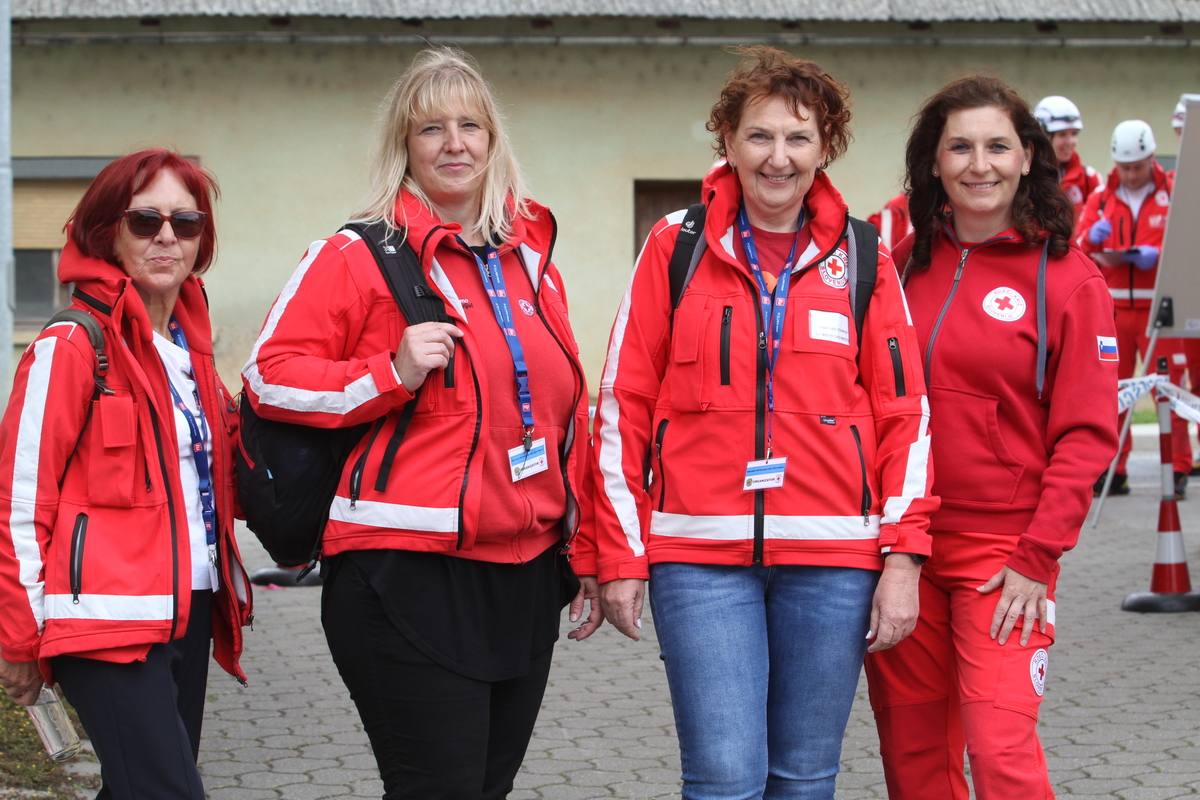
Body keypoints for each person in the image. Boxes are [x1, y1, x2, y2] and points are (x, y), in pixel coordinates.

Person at [579, 46, 937, 800]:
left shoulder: (865, 256)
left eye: (799, 138)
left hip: (835, 561)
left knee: (804, 779)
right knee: (724, 779)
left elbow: (907, 415)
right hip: (698, 559)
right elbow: (620, 407)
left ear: (825, 147)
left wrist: (902, 559)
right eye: (760, 136)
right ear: (729, 142)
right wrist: (620, 553)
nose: (779, 158)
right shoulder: (674, 246)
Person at [242, 47, 597, 800]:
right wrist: (389, 374)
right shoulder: (358, 254)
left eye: (471, 126)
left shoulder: (531, 262)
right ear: (404, 145)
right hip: (403, 569)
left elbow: (566, 412)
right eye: (431, 128)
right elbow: (268, 377)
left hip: (525, 574)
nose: (454, 144)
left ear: (494, 140)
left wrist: (587, 541)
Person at [864, 75, 1119, 800]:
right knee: (914, 760)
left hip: (1004, 558)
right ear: (934, 161)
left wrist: (1037, 557)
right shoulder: (899, 265)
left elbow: (1087, 434)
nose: (980, 165)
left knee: (1001, 753)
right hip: (903, 549)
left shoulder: (1070, 280)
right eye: (960, 148)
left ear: (1028, 157)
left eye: (998, 147)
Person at [0, 149, 252, 798]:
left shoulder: (192, 355)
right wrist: (19, 639)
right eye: (145, 221)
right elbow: (20, 502)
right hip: (105, 624)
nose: (167, 237)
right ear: (106, 231)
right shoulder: (71, 345)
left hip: (190, 607)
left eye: (185, 222)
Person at [1078, 119, 1187, 497]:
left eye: (1137, 167)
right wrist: (1091, 240)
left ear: (1151, 158)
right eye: (1124, 168)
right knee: (1112, 394)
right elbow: (1077, 246)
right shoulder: (1101, 197)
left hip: (1160, 311)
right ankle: (1114, 469)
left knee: (1168, 391)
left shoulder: (1174, 193)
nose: (1131, 175)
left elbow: (1190, 244)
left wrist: (1160, 254)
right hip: (1114, 313)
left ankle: (1178, 466)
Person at [1033, 95, 1100, 228]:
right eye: (1062, 134)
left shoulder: (1089, 178)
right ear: (1043, 136)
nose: (1071, 142)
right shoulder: (1024, 177)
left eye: (1074, 134)